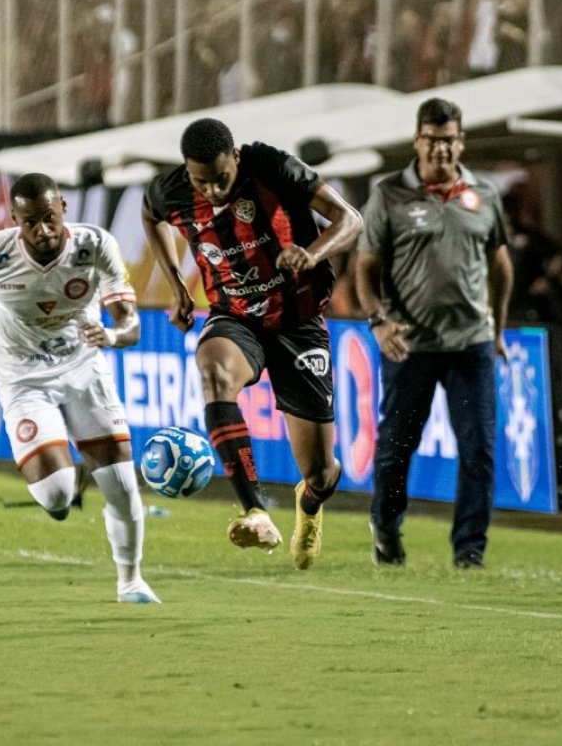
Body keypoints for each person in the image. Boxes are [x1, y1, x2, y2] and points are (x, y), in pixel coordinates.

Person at [0, 173, 158, 604]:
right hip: (21, 377)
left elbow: (130, 321)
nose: (42, 230)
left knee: (123, 485)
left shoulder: (95, 245)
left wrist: (114, 335)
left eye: (49, 218)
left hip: (84, 370)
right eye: (30, 222)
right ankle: (64, 473)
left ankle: (130, 581)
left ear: (63, 208)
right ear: (15, 219)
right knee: (56, 495)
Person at [141, 118, 363, 570]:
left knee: (321, 473)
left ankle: (310, 504)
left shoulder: (271, 166)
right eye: (202, 181)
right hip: (235, 316)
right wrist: (178, 288)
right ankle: (254, 508)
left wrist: (312, 252)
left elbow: (350, 219)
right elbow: (151, 215)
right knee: (213, 373)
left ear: (236, 158)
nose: (214, 190)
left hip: (298, 322)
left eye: (221, 178)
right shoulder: (173, 190)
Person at [355, 97, 514, 570]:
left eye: (449, 140)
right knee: (396, 448)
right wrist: (378, 321)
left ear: (460, 141)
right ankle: (385, 526)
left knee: (480, 450)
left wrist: (498, 330)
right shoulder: (389, 194)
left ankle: (470, 550)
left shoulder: (485, 192)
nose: (441, 148)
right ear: (417, 140)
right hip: (411, 343)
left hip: (471, 342)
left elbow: (500, 265)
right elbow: (364, 267)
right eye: (432, 139)